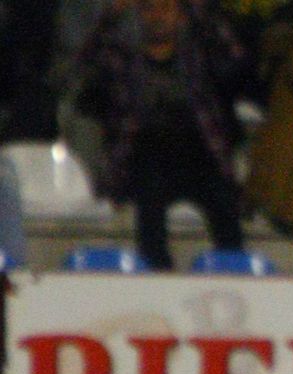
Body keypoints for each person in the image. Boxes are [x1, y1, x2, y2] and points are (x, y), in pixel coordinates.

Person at [74, 0, 247, 270]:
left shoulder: (196, 55)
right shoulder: (122, 56)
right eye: (149, 9)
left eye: (166, 9)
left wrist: (197, 9)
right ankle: (158, 275)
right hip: (144, 155)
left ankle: (234, 270)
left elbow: (234, 54)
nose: (157, 17)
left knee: (224, 204)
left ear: (180, 16)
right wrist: (111, 16)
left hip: (198, 155)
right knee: (149, 201)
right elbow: (84, 63)